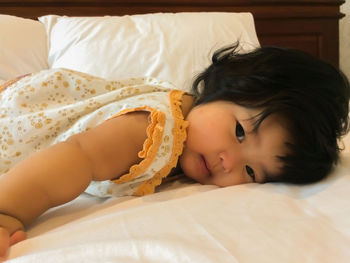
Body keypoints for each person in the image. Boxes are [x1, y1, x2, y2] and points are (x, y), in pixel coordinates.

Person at [0, 43, 349, 259]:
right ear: (219, 88)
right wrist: (8, 211)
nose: (230, 161)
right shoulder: (154, 130)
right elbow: (76, 157)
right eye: (240, 132)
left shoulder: (182, 116)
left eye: (252, 172)